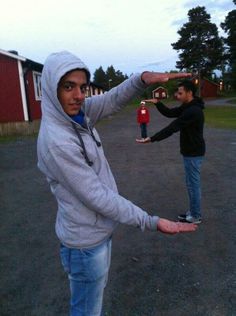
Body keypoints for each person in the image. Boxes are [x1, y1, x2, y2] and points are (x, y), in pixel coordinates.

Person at [37, 51, 197, 316]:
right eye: (68, 87)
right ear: (52, 88)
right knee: (87, 311)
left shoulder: (79, 114)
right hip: (86, 246)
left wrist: (141, 79)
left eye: (82, 87)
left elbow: (112, 99)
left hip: (97, 235)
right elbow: (98, 197)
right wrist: (151, 221)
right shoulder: (57, 142)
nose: (79, 95)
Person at [136, 80, 205, 225]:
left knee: (193, 185)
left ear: (189, 93)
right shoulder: (188, 107)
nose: (177, 95)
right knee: (190, 183)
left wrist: (152, 138)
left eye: (180, 93)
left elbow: (172, 127)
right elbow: (170, 113)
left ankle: (196, 216)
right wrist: (157, 102)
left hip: (193, 152)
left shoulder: (193, 111)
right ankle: (193, 212)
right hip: (189, 151)